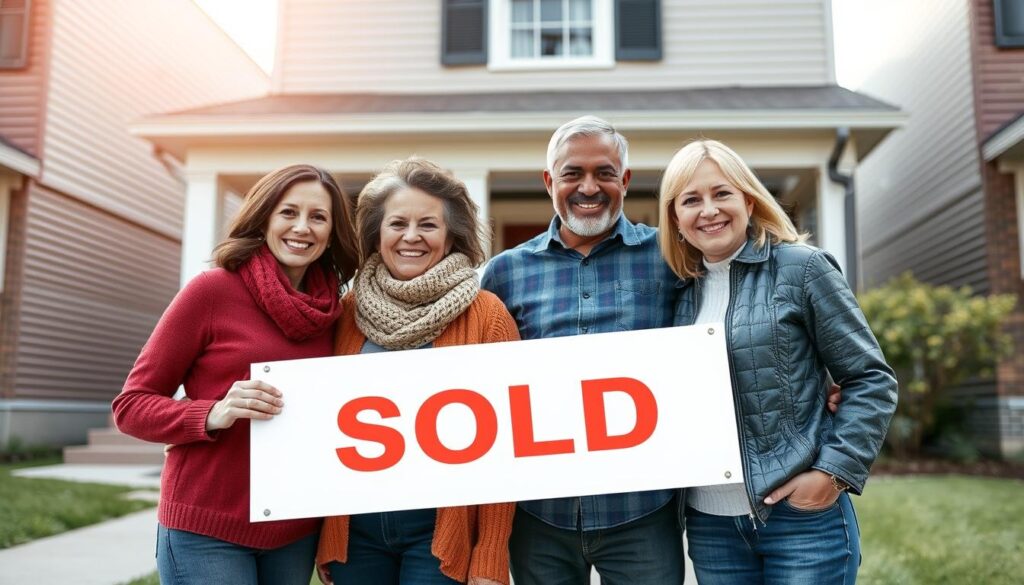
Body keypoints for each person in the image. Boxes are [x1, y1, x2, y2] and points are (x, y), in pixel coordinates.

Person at [657, 138, 897, 584]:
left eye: (721, 193)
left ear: (748, 199)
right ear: (675, 218)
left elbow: (869, 378)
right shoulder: (674, 291)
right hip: (710, 526)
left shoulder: (802, 269)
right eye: (691, 200)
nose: (708, 210)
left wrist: (832, 472)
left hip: (800, 518)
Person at [112, 165, 359, 584]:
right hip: (207, 528)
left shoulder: (336, 313)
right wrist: (212, 413)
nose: (302, 227)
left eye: (318, 217)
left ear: (333, 231)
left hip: (293, 530)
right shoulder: (211, 291)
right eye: (288, 212)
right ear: (264, 218)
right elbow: (131, 406)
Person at [481, 116, 685, 584]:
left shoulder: (671, 258)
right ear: (550, 181)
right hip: (539, 513)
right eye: (573, 173)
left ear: (625, 180)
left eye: (604, 173)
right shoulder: (503, 273)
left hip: (642, 509)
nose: (588, 187)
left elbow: (720, 331)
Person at [316, 157, 517, 585]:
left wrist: (490, 557)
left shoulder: (487, 316)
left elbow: (508, 446)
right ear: (375, 234)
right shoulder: (345, 314)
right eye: (397, 224)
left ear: (450, 236)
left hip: (439, 533)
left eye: (428, 224)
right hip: (357, 535)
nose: (411, 237)